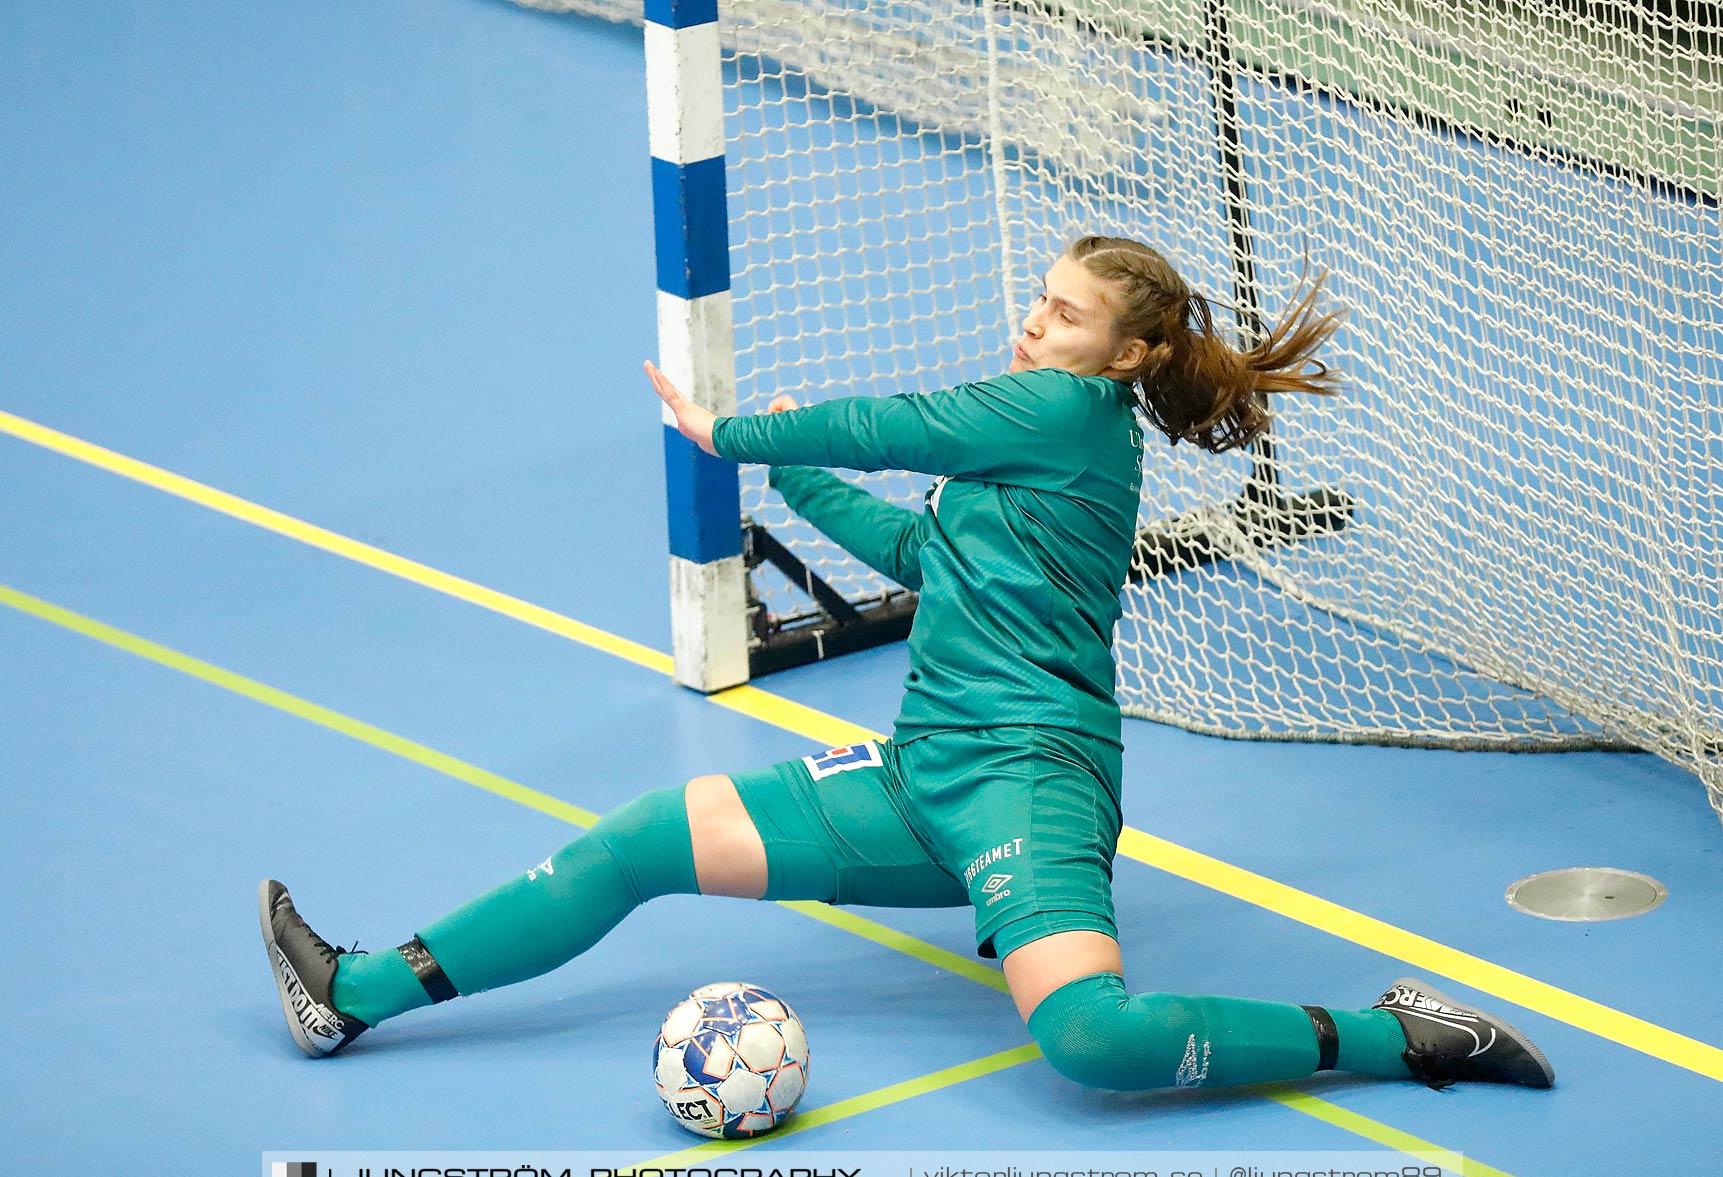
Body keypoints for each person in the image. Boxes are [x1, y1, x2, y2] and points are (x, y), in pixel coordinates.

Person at [261, 235, 1553, 1094]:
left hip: (1026, 782)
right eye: (1041, 303)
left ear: (1128, 355)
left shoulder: (1059, 414)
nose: (1034, 326)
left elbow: (894, 424)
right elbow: (917, 550)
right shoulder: (1033, 451)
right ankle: (356, 992)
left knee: (1093, 1046)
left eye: (1067, 316)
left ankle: (1403, 1036)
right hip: (922, 773)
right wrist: (786, 471)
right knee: (641, 839)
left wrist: (735, 430)